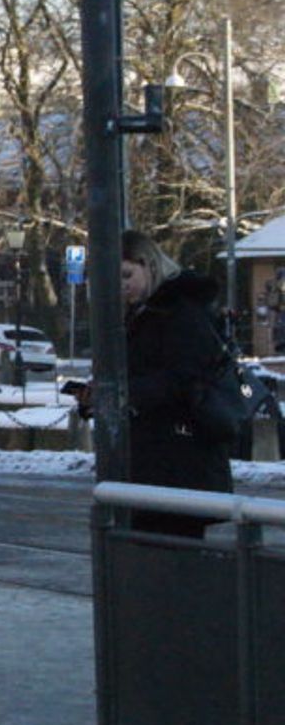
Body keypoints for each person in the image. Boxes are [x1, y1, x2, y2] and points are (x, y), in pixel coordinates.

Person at [119, 229, 235, 537]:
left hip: (179, 458)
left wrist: (127, 394)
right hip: (162, 458)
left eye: (127, 275)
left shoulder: (179, 312)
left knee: (172, 552)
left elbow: (185, 376)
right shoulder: (150, 313)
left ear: (148, 265)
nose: (122, 287)